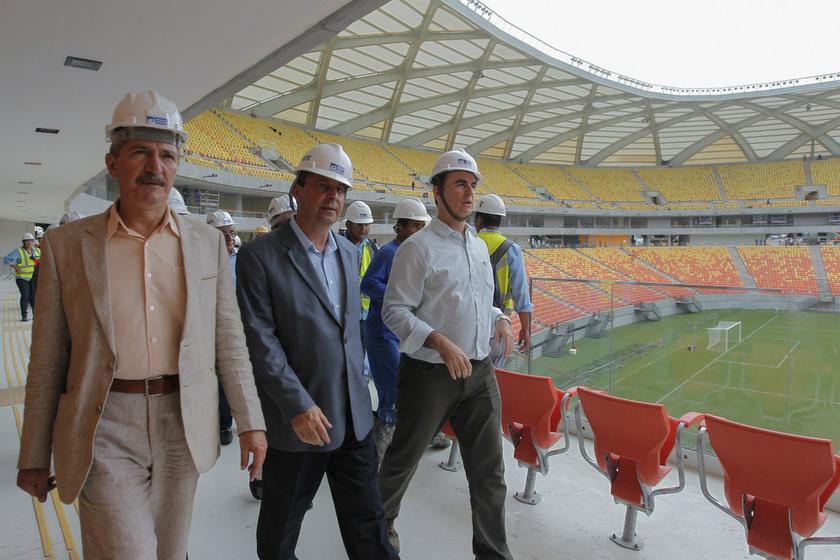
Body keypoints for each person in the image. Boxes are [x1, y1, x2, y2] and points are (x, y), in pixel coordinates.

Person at [16, 90, 267, 560]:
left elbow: (228, 341)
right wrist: (33, 453)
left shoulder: (206, 243)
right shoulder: (66, 247)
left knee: (171, 552)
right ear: (112, 163)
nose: (155, 165)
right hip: (103, 424)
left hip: (182, 422)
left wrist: (251, 422)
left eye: (167, 154)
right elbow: (48, 358)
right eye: (140, 152)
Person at [236, 143, 397, 560]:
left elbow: (347, 333)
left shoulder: (348, 251)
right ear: (299, 189)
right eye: (324, 186)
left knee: (370, 526)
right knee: (280, 530)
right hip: (298, 423)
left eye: (340, 190)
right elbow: (260, 341)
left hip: (353, 417)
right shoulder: (261, 257)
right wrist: (297, 405)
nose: (334, 198)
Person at [379, 149, 514, 559]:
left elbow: (474, 301)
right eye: (459, 184)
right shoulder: (417, 248)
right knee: (401, 463)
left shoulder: (476, 247)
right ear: (437, 192)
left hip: (479, 374)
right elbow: (393, 310)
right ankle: (376, 536)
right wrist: (437, 339)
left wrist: (499, 318)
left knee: (490, 473)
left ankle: (493, 553)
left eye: (472, 185)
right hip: (429, 375)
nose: (469, 193)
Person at [360, 198, 431, 463]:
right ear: (402, 226)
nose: (421, 231)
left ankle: (384, 450)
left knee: (397, 389)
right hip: (382, 334)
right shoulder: (389, 252)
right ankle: (377, 455)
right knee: (392, 392)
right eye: (418, 226)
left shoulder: (410, 252)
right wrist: (395, 294)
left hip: (396, 334)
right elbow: (368, 285)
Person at [474, 193, 533, 366]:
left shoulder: (468, 242)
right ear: (500, 220)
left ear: (478, 220)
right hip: (498, 329)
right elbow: (521, 295)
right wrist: (526, 329)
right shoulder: (511, 249)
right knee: (492, 384)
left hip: (468, 324)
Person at [206, 209, 239, 446]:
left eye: (231, 233)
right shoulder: (199, 261)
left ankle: (231, 422)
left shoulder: (242, 260)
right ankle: (218, 423)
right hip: (211, 329)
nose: (229, 238)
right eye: (223, 233)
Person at [4, 232, 40, 321]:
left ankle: (35, 314)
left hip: (33, 277)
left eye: (31, 241)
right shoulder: (18, 251)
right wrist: (15, 267)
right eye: (26, 241)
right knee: (25, 296)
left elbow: (40, 261)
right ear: (23, 242)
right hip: (22, 277)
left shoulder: (37, 251)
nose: (29, 243)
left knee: (33, 296)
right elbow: (6, 260)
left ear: (33, 241)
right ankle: (24, 315)